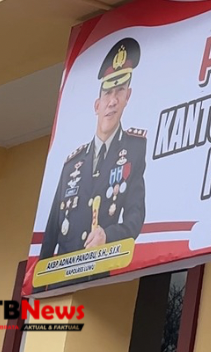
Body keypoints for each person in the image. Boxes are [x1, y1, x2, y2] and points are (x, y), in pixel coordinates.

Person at [40, 37, 147, 259]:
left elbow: (135, 219)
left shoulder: (134, 150)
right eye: (108, 93)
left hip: (100, 269)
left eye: (120, 91)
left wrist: (108, 236)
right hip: (64, 272)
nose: (112, 101)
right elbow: (51, 233)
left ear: (128, 96)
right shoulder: (72, 164)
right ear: (97, 105)